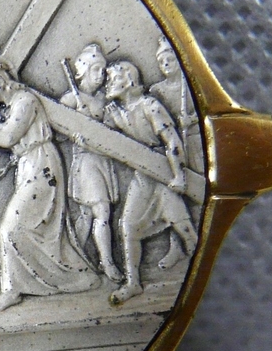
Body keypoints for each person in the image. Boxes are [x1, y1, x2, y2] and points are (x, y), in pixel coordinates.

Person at [0, 55, 98, 312]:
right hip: (29, 164)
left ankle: (16, 289)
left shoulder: (25, 100)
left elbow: (8, 136)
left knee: (10, 229)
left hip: (42, 165)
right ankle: (37, 282)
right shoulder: (14, 104)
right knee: (34, 229)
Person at [102, 60, 198, 305]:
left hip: (162, 172)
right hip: (143, 176)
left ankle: (202, 274)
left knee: (184, 228)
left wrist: (178, 175)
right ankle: (133, 283)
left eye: (113, 78)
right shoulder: (119, 112)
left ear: (129, 81)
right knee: (128, 226)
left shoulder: (150, 106)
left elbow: (172, 141)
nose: (108, 83)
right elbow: (111, 142)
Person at [59, 43, 122, 282]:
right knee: (101, 211)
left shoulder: (103, 100)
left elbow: (114, 132)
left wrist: (108, 121)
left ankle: (72, 259)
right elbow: (57, 132)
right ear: (83, 72)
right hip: (85, 163)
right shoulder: (70, 100)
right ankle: (107, 262)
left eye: (103, 70)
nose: (101, 75)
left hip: (103, 161)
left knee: (87, 215)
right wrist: (74, 126)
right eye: (96, 69)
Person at [147, 38, 204, 174]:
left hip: (195, 139)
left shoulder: (192, 85)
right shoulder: (156, 90)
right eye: (161, 62)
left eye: (170, 59)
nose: (166, 64)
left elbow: (205, 109)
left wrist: (191, 119)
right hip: (172, 141)